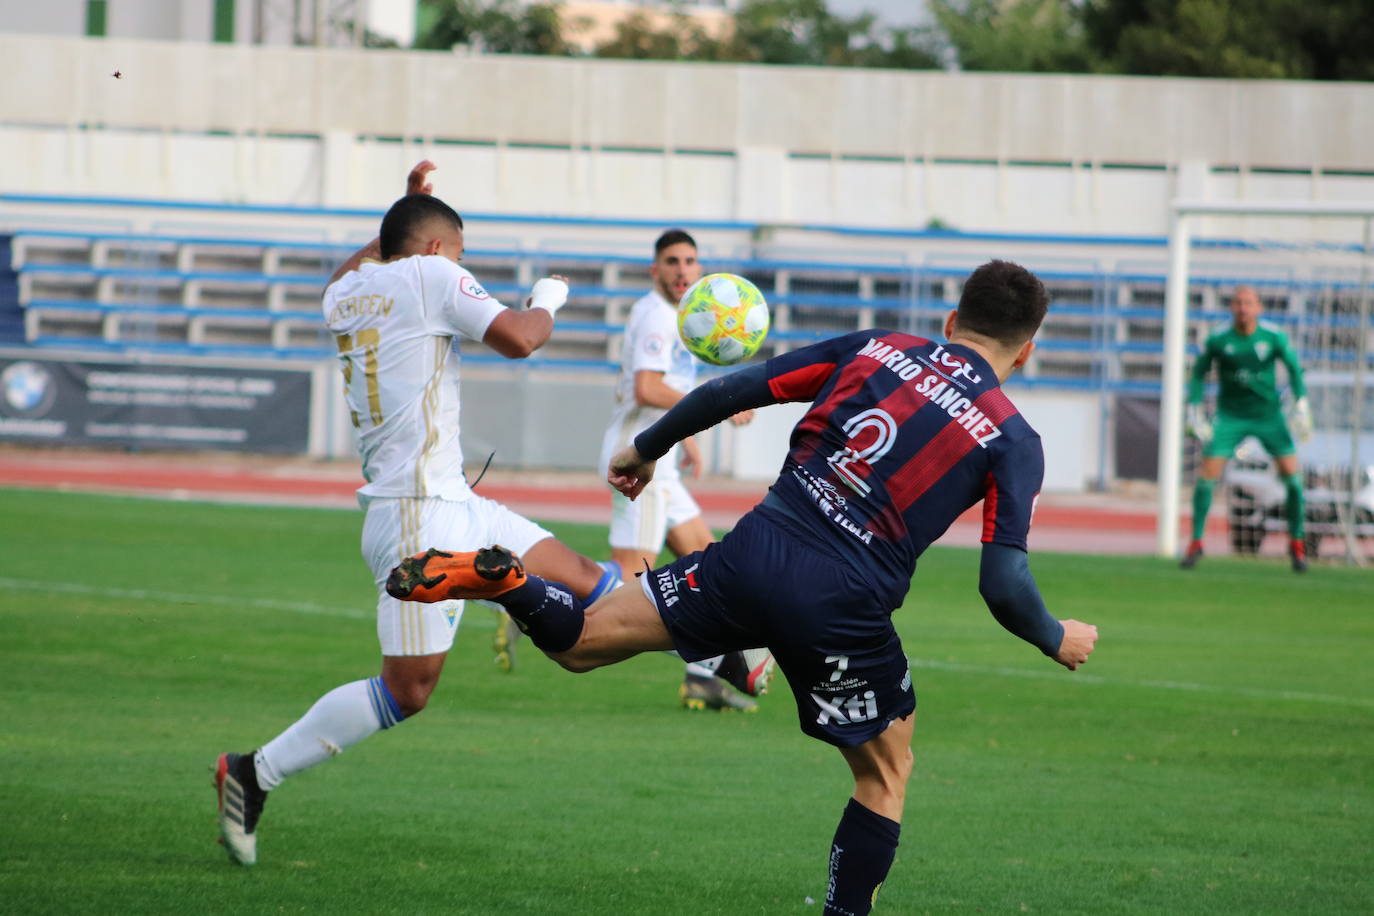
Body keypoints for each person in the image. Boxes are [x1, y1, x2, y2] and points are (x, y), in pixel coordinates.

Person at [388, 259, 1100, 915]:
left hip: (754, 552)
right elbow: (1003, 583)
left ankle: (509, 579)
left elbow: (735, 387)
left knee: (582, 641)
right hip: (844, 603)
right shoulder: (1013, 440)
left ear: (951, 321)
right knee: (885, 773)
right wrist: (1053, 635)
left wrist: (645, 449)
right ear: (1027, 350)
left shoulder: (878, 347)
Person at [211, 161, 624, 866]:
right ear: (435, 251)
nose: (463, 272)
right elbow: (521, 337)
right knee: (409, 690)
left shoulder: (345, 293)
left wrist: (410, 207)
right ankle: (254, 772)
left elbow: (361, 264)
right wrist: (548, 298)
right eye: (460, 257)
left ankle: (715, 647)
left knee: (590, 577)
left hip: (449, 498)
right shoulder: (430, 276)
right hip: (416, 515)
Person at [598, 228, 766, 712]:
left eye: (690, 261)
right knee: (628, 578)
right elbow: (648, 389)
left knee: (706, 561)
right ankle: (523, 591)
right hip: (638, 459)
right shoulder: (655, 316)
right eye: (672, 261)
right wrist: (718, 406)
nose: (682, 270)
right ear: (655, 269)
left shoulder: (686, 316)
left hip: (660, 460)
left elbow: (667, 393)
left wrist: (686, 440)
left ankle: (703, 678)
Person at [1182, 285, 1311, 572]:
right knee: (1207, 475)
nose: (1243, 308)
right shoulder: (1218, 338)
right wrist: (1194, 407)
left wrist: (1300, 401)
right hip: (1230, 416)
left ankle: (1297, 544)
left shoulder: (1273, 336)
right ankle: (1196, 543)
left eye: (1248, 303)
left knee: (1293, 478)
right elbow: (1199, 374)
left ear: (1258, 307)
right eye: (1238, 303)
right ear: (1232, 307)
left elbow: (1294, 368)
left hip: (1268, 415)